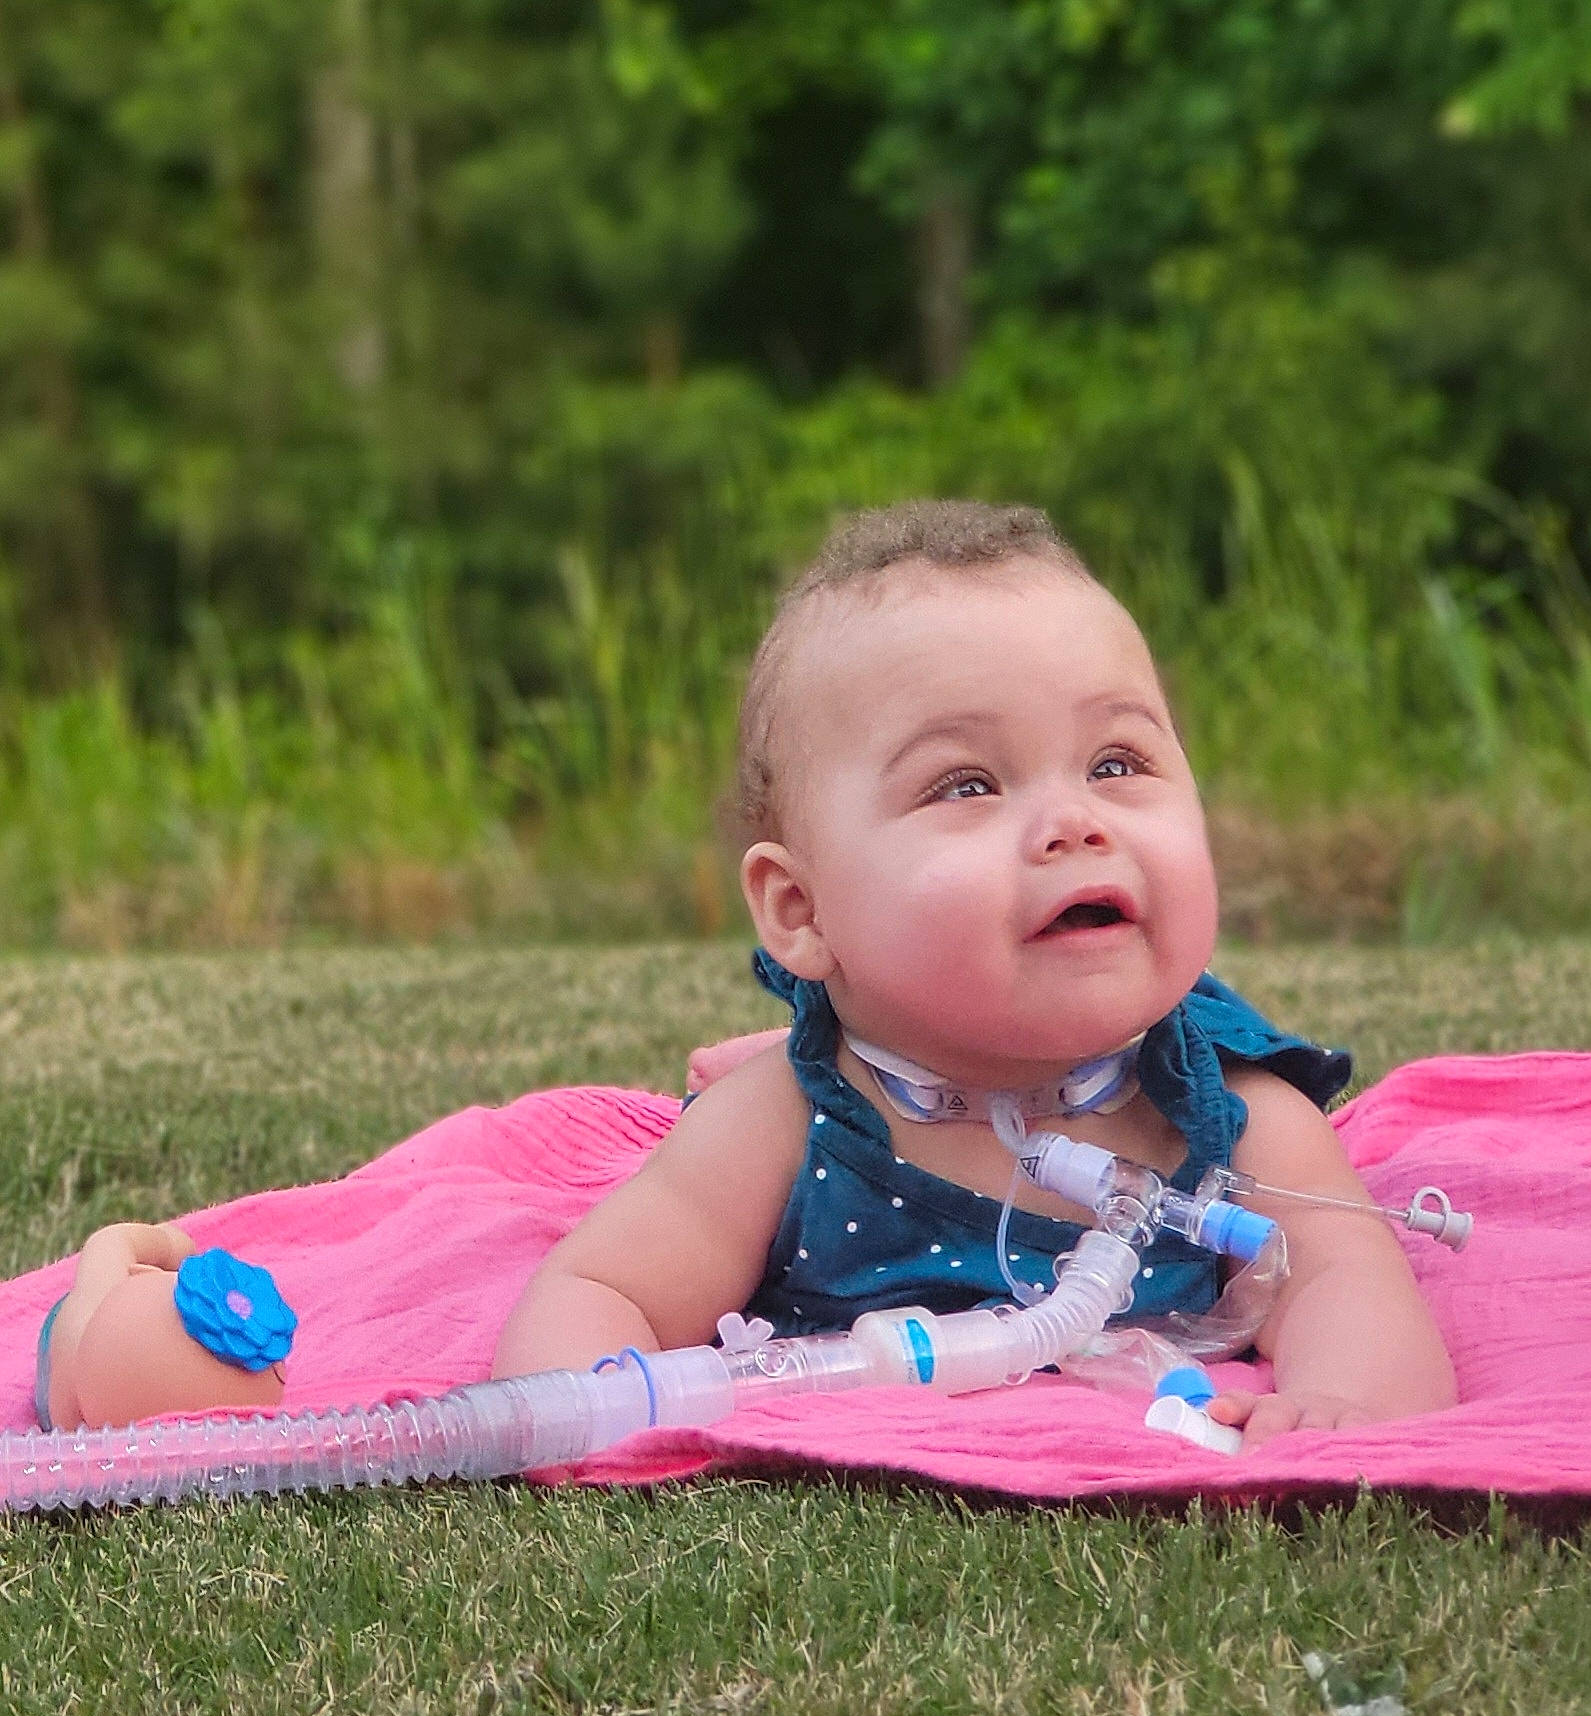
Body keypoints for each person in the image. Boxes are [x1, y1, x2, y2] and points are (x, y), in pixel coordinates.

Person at [493, 499, 1457, 1448]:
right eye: (968, 784)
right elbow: (603, 1290)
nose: (1076, 822)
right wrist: (584, 1409)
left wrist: (1344, 1402)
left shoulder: (1227, 1117)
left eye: (1116, 763)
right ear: (802, 909)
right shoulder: (788, 1128)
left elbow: (1340, 1279)